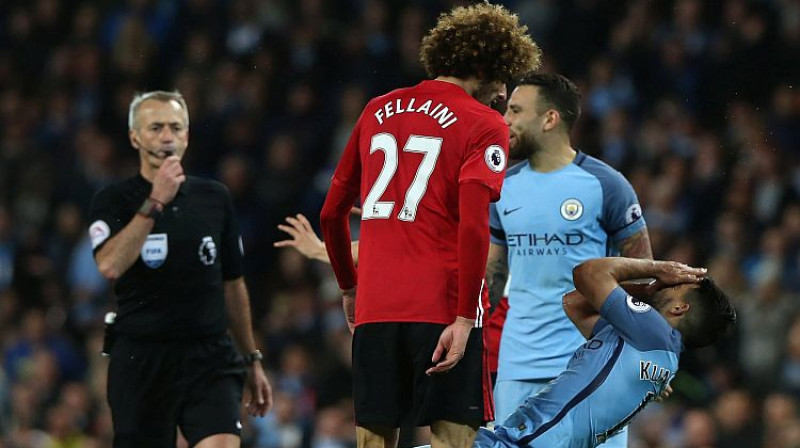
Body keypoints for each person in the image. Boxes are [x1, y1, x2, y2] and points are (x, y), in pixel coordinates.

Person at [319, 3, 542, 447]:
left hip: (376, 308)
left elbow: (331, 213)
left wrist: (349, 287)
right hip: (442, 307)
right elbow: (475, 227)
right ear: (483, 64)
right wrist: (464, 318)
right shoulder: (484, 124)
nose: (502, 93)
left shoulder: (376, 109)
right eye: (502, 77)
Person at [88, 90, 272, 448]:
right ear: (134, 137)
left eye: (175, 127)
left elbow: (233, 284)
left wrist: (252, 358)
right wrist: (156, 200)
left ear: (187, 136)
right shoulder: (113, 200)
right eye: (155, 127)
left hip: (209, 356)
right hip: (142, 359)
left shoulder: (215, 198)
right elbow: (110, 264)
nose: (167, 137)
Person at [486, 73, 653, 446]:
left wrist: (646, 353)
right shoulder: (502, 188)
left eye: (515, 110)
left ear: (549, 119)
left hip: (593, 366)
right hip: (519, 365)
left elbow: (642, 272)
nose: (505, 120)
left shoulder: (606, 185)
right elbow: (491, 280)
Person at [473, 256, 737, 447]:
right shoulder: (655, 350)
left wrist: (657, 268)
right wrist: (645, 289)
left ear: (680, 309)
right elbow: (575, 303)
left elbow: (587, 272)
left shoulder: (651, 329)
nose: (666, 283)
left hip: (526, 441)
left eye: (674, 285)